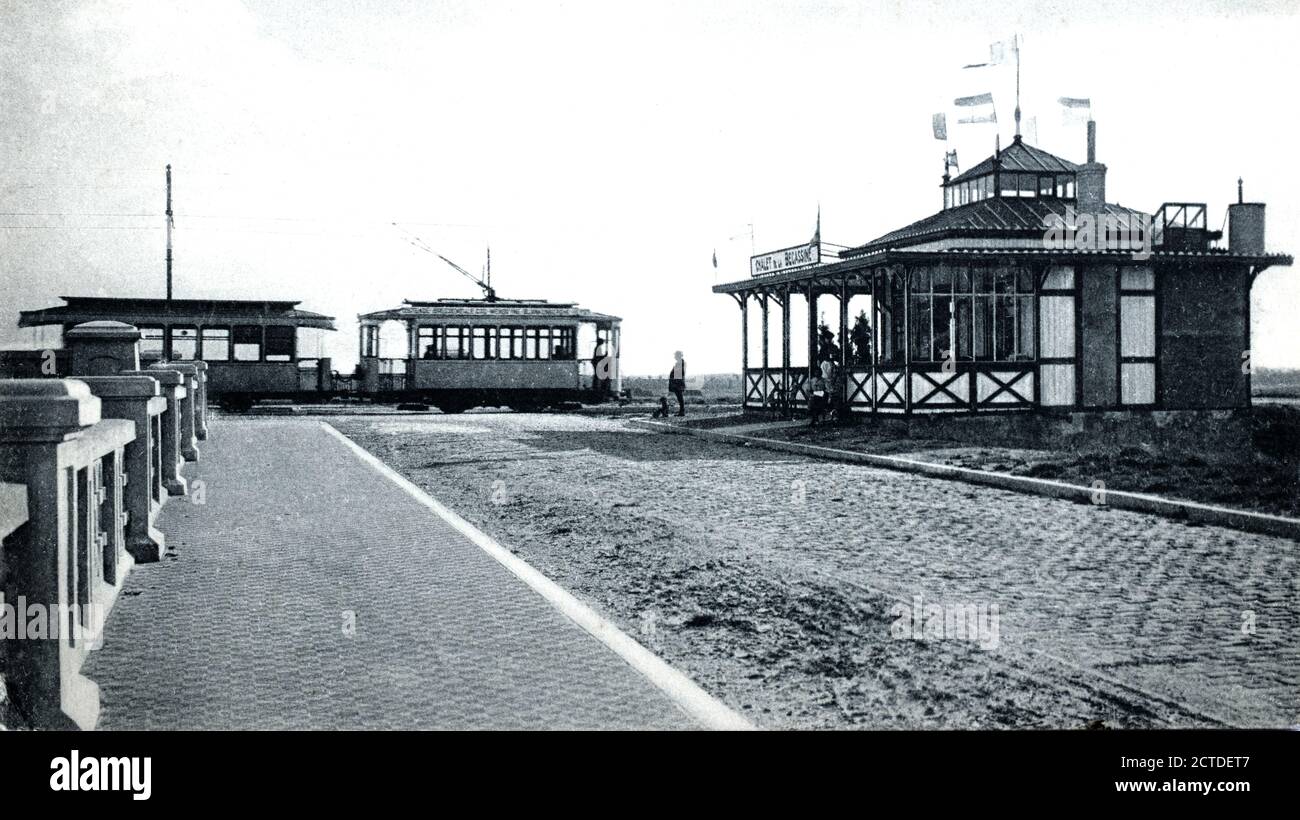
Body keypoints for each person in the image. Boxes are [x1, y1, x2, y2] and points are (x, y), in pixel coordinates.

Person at [668, 351, 686, 416]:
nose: (674, 356)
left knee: (680, 397)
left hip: (678, 383)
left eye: (675, 355)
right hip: (677, 382)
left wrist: (674, 382)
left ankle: (682, 412)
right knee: (679, 397)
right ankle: (681, 411)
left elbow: (679, 374)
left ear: (678, 356)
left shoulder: (680, 363)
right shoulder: (680, 362)